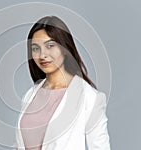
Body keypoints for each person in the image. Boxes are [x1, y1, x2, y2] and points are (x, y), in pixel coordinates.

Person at [15, 16, 111, 150]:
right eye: (36, 48)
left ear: (65, 49)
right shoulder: (31, 94)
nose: (42, 55)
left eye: (50, 46)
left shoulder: (89, 97)